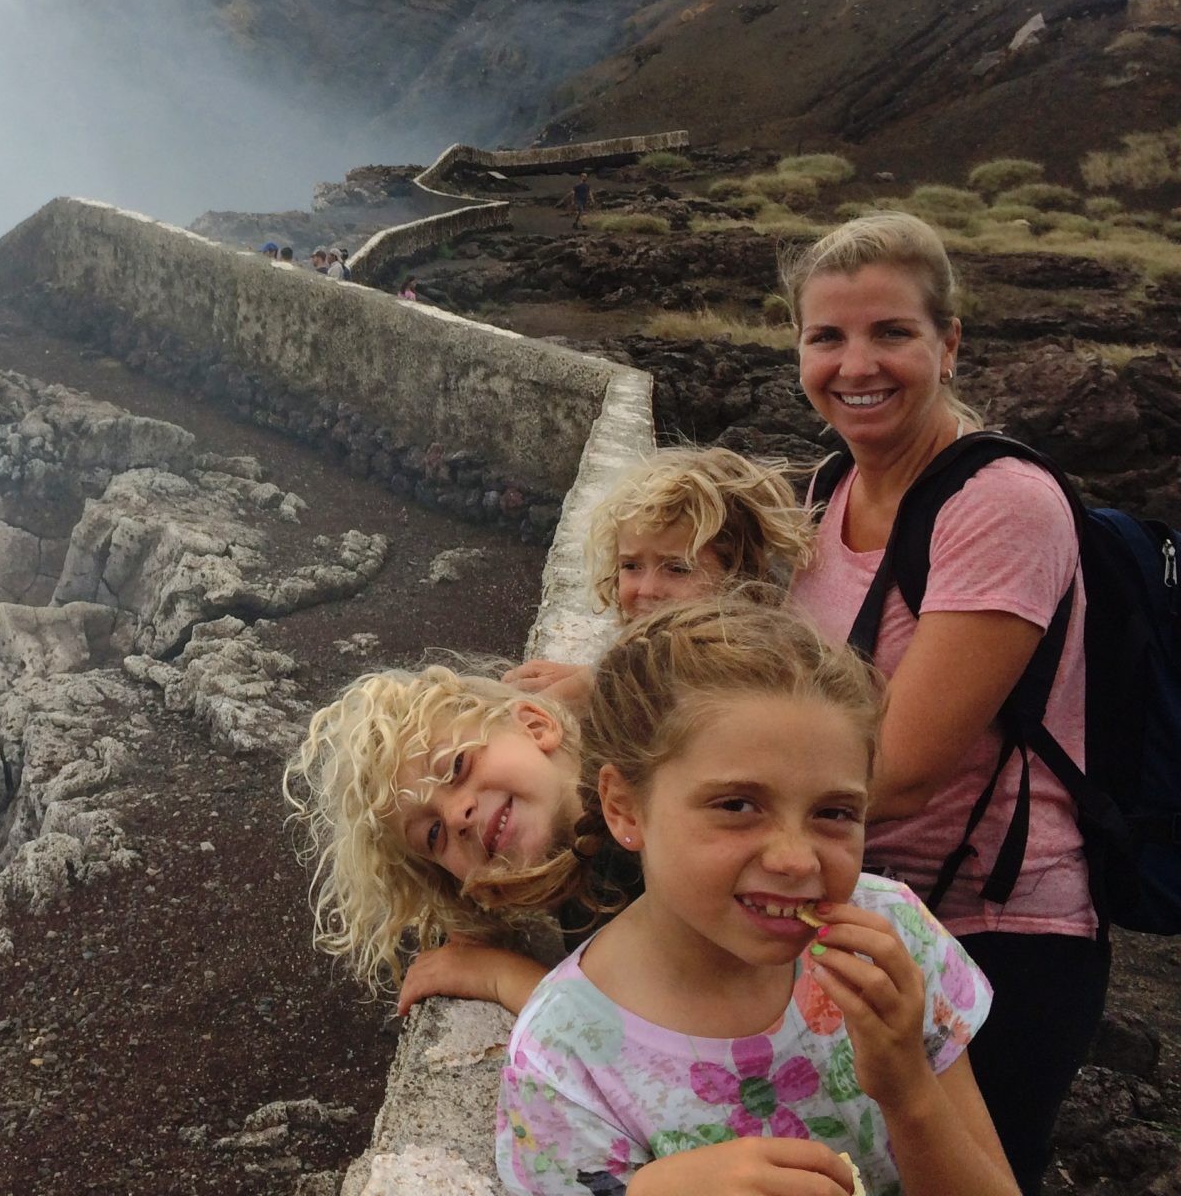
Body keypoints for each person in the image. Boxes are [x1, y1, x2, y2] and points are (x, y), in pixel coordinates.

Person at [782, 211, 1103, 1194]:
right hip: (861, 911)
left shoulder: (998, 501)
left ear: (947, 343)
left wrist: (689, 828)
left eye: (890, 333)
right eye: (824, 336)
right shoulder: (826, 486)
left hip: (996, 935)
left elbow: (905, 769)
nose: (854, 364)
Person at [495, 597, 1014, 1196]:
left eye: (834, 812)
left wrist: (909, 1091)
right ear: (623, 806)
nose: (796, 859)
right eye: (737, 805)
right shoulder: (564, 1064)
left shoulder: (892, 936)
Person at [285, 665, 605, 1017]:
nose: (455, 817)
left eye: (456, 766)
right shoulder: (598, 883)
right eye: (433, 834)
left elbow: (625, 1045)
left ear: (535, 726)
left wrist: (499, 976)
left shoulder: (650, 832)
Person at [505, 446, 816, 710]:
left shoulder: (739, 680)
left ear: (739, 576)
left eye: (678, 569)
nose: (647, 590)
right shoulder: (664, 654)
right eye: (630, 566)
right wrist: (592, 676)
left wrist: (589, 688)